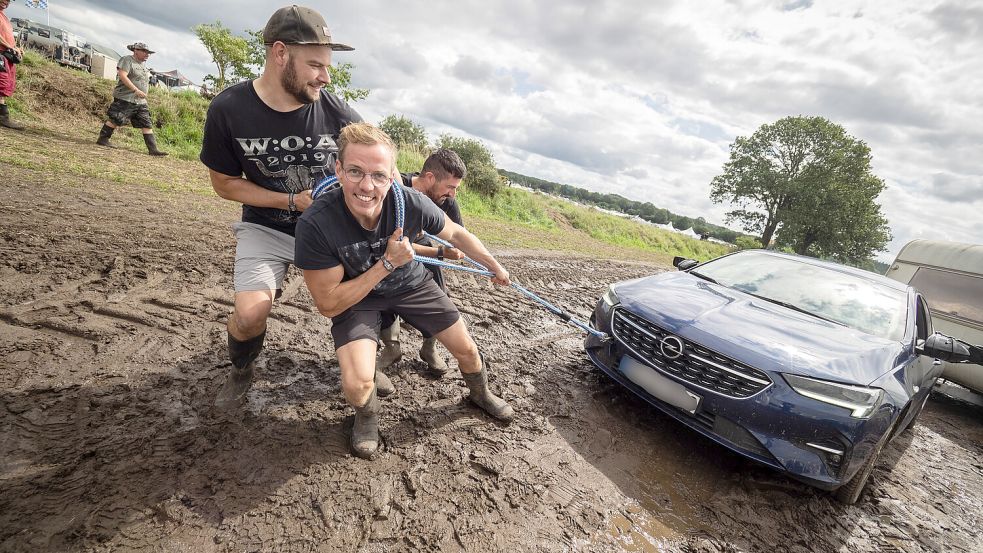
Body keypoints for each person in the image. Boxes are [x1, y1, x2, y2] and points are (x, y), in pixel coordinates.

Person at [200, 5, 383, 410]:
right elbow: (224, 184)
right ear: (280, 53)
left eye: (328, 65)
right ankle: (241, 370)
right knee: (250, 314)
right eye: (315, 64)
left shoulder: (337, 113)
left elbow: (377, 164)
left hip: (332, 233)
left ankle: (373, 359)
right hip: (267, 227)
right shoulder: (229, 110)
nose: (326, 76)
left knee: (375, 286)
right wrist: (290, 201)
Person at [295, 122, 515, 459]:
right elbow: (327, 302)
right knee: (358, 383)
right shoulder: (316, 224)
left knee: (468, 350)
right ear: (338, 169)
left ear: (390, 175)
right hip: (357, 297)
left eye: (379, 176)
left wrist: (493, 265)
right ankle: (366, 416)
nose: (367, 186)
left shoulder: (408, 201)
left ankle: (479, 394)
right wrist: (386, 263)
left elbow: (455, 234)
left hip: (410, 284)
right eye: (355, 171)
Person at [375, 149, 468, 376]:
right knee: (380, 300)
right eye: (450, 187)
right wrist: (439, 251)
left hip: (425, 261)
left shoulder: (447, 204)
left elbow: (457, 236)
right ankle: (391, 348)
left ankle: (429, 348)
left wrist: (455, 250)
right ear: (429, 178)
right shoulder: (395, 188)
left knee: (438, 298)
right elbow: (390, 240)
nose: (453, 194)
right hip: (388, 256)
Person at [95, 42, 168, 156]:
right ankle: (103, 139)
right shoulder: (127, 60)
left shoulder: (142, 66)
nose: (147, 54)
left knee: (146, 123)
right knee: (116, 119)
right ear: (135, 51)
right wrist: (135, 90)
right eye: (144, 52)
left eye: (148, 52)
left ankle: (153, 149)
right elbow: (122, 75)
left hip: (140, 101)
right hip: (126, 97)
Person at [0, 0, 25, 130]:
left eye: (9, 0)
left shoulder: (4, 17)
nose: (6, 2)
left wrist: (16, 48)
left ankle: (3, 117)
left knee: (3, 86)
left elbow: (7, 35)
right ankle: (3, 118)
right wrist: (10, 46)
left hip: (6, 56)